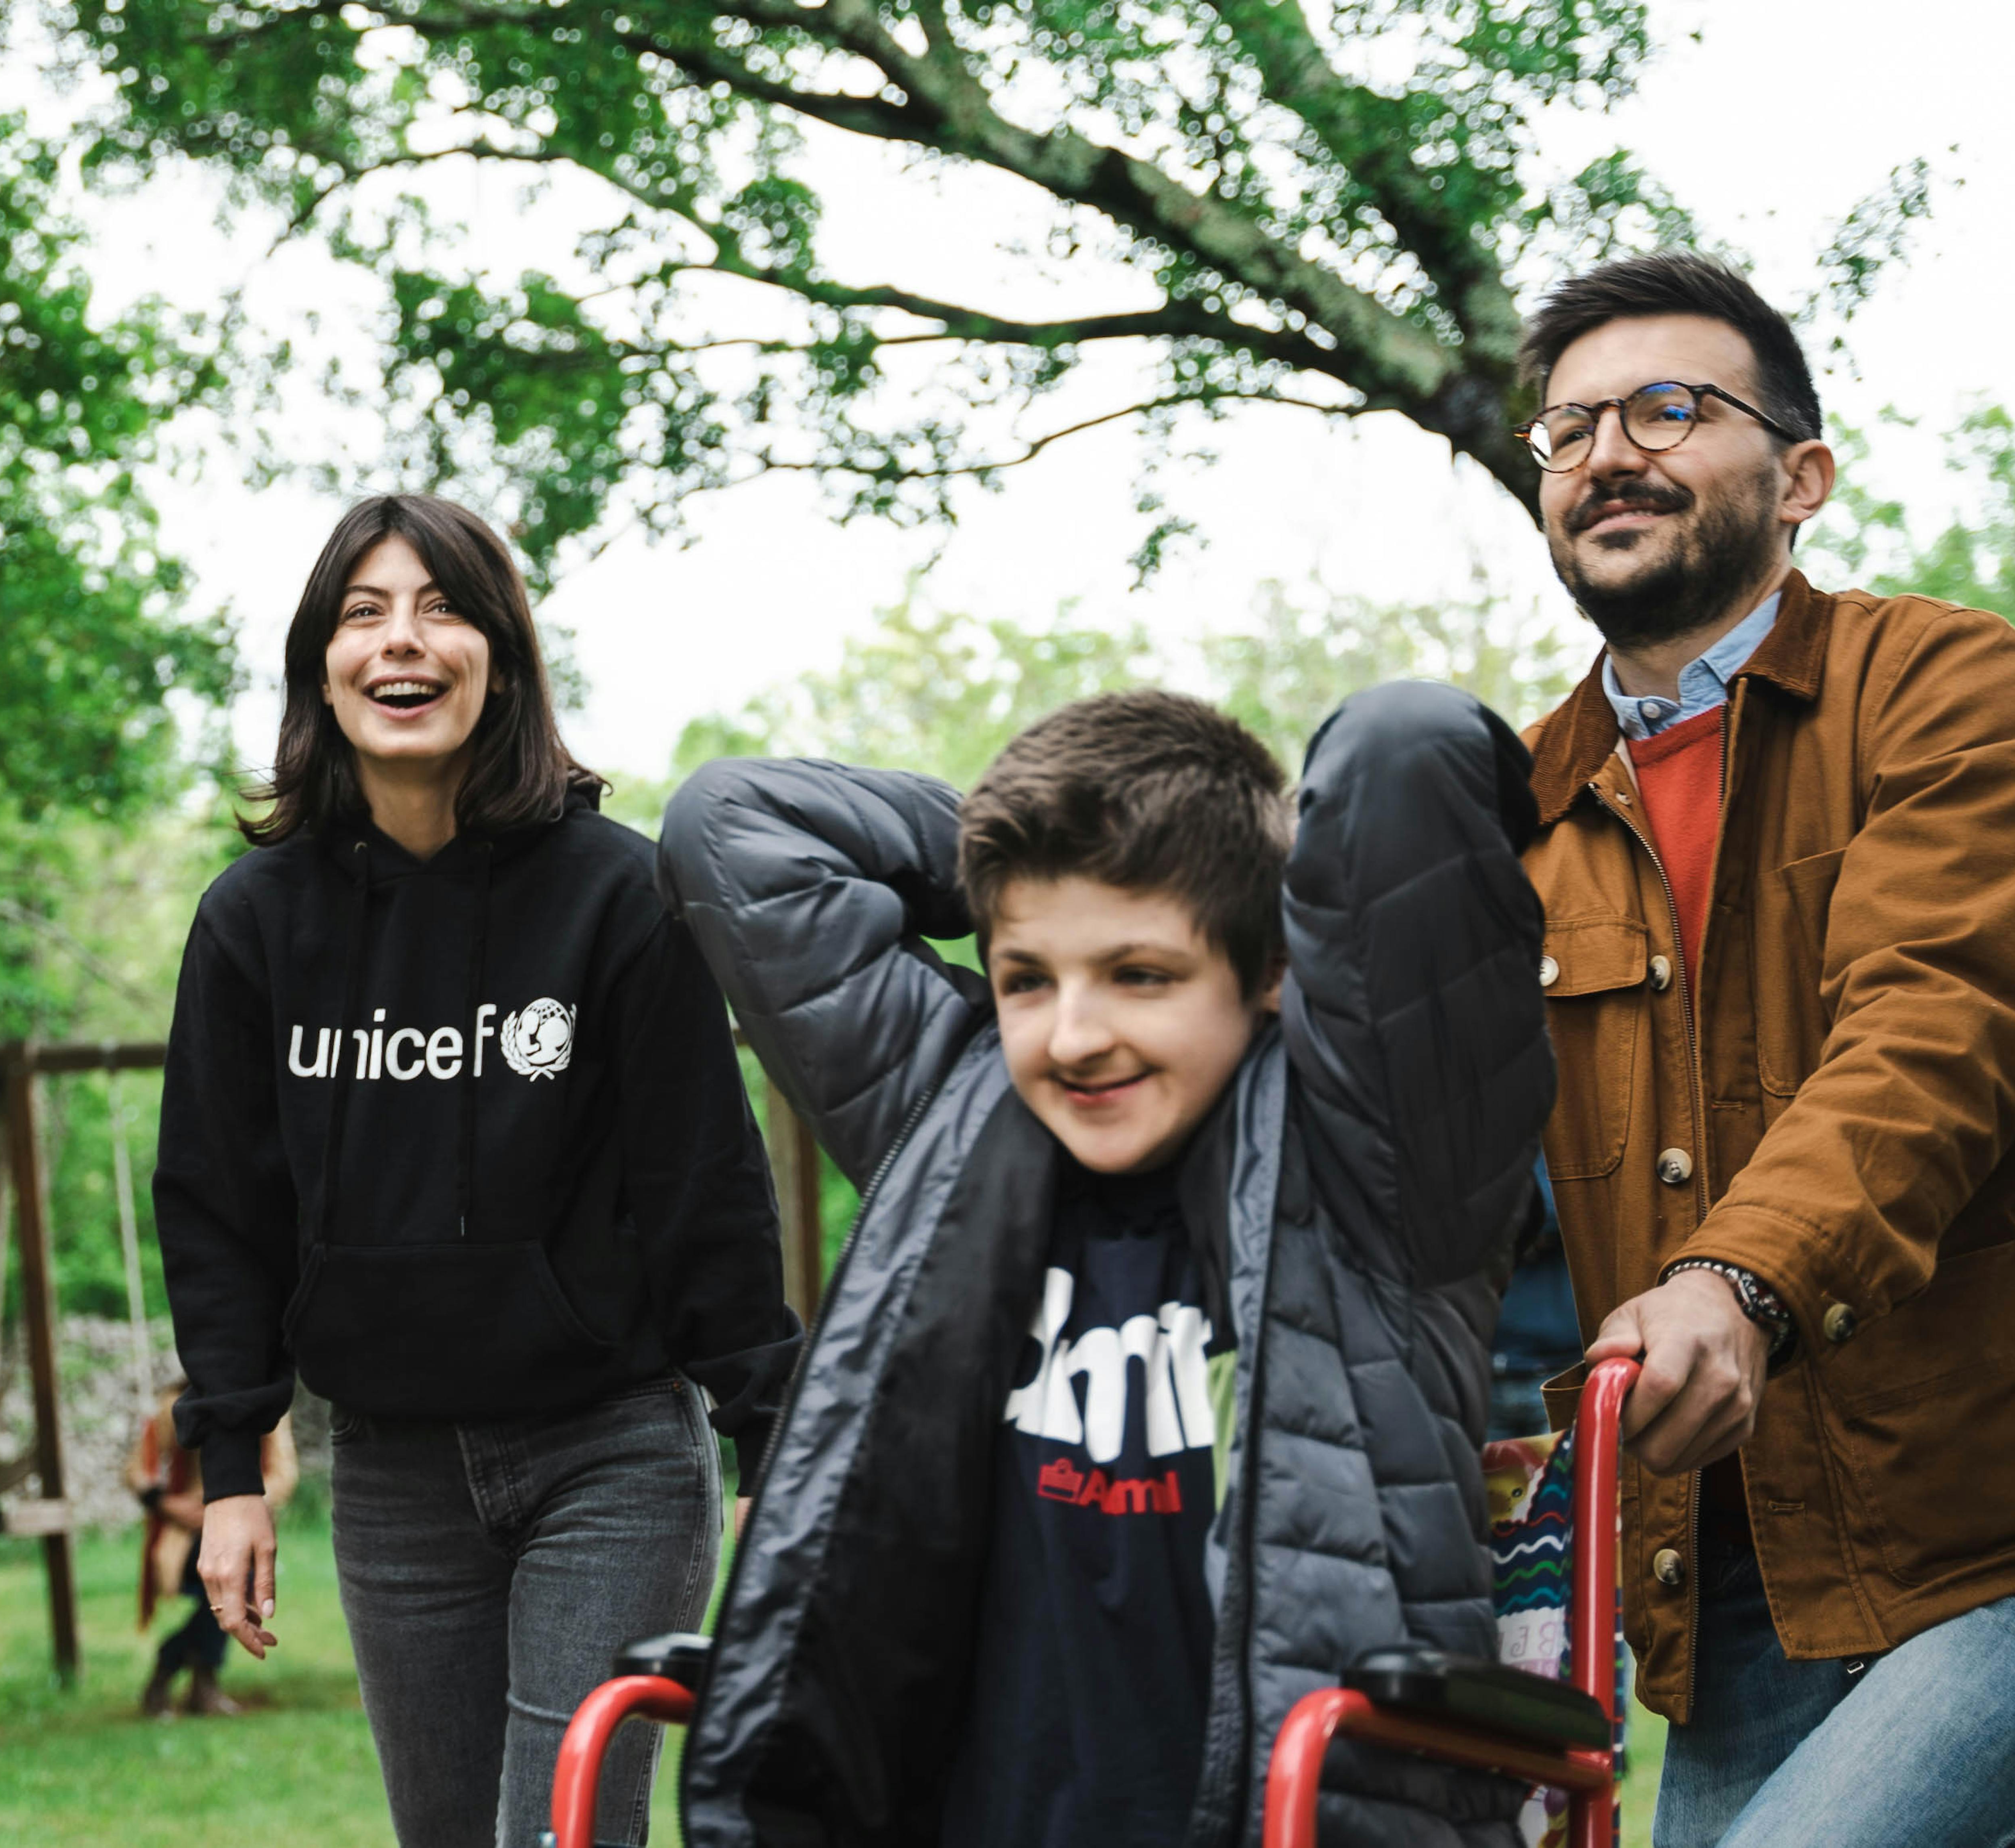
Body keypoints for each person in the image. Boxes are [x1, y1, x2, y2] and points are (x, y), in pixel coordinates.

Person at [1509, 252, 2015, 1847]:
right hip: (1739, 1575)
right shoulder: (1516, 808)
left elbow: (1934, 1024)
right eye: (1566, 430)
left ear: (1799, 475)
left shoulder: (1940, 686)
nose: (1605, 450)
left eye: (1666, 408)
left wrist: (1732, 1280)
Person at [657, 682, 1554, 1846]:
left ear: (1275, 964)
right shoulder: (950, 1119)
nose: (1074, 1035)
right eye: (1026, 975)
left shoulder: (1379, 1161)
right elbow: (729, 825)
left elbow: (1406, 748)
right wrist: (1035, 853)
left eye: (1141, 972)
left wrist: (1223, 858)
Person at [153, 493, 805, 1848]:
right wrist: (228, 1469)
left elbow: (706, 1188)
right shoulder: (251, 923)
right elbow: (219, 1209)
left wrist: (770, 1439)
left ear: (501, 657)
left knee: (564, 1834)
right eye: (364, 612)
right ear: (318, 667)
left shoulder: (620, 898)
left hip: (609, 1451)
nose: (403, 641)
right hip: (390, 1470)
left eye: (443, 608)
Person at [127, 1376, 297, 1719]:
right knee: (227, 1590)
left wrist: (239, 1501)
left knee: (235, 1587)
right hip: (185, 1535)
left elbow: (283, 1475)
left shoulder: (268, 1405)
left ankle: (175, 1670)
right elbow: (136, 1470)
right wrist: (166, 1503)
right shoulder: (175, 1407)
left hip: (242, 1528)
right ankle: (200, 1682)